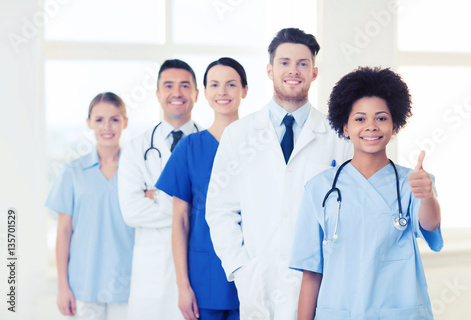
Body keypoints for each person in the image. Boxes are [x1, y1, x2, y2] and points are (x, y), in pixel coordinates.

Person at [205, 28, 353, 319]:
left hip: (317, 282)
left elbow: (350, 210)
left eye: (302, 63)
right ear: (270, 70)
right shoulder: (239, 135)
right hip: (258, 281)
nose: (293, 70)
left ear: (314, 72)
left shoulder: (338, 137)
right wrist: (240, 269)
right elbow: (220, 210)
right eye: (284, 62)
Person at [289, 66, 443, 320]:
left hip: (397, 311)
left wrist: (427, 196)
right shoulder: (319, 188)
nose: (371, 126)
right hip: (339, 312)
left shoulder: (413, 182)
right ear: (345, 127)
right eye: (360, 119)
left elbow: (429, 223)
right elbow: (311, 271)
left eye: (381, 118)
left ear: (395, 126)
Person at [156, 57, 247, 320]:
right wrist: (183, 286)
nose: (222, 92)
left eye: (231, 84)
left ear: (245, 90)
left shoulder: (259, 145)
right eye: (214, 84)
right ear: (204, 93)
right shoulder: (189, 148)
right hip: (205, 277)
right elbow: (180, 221)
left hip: (251, 274)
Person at [118, 59, 201, 320]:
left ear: (196, 94)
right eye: (168, 86)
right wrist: (187, 208)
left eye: (185, 85)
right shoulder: (136, 147)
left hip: (197, 270)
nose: (177, 93)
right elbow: (131, 211)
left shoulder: (211, 144)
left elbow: (217, 210)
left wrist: (156, 195)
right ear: (157, 94)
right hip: (152, 275)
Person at [46, 92, 134, 319]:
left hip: (129, 286)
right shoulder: (72, 173)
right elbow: (64, 232)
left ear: (125, 122)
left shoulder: (137, 172)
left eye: (115, 119)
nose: (107, 127)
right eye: (99, 120)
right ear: (89, 123)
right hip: (83, 286)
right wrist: (62, 286)